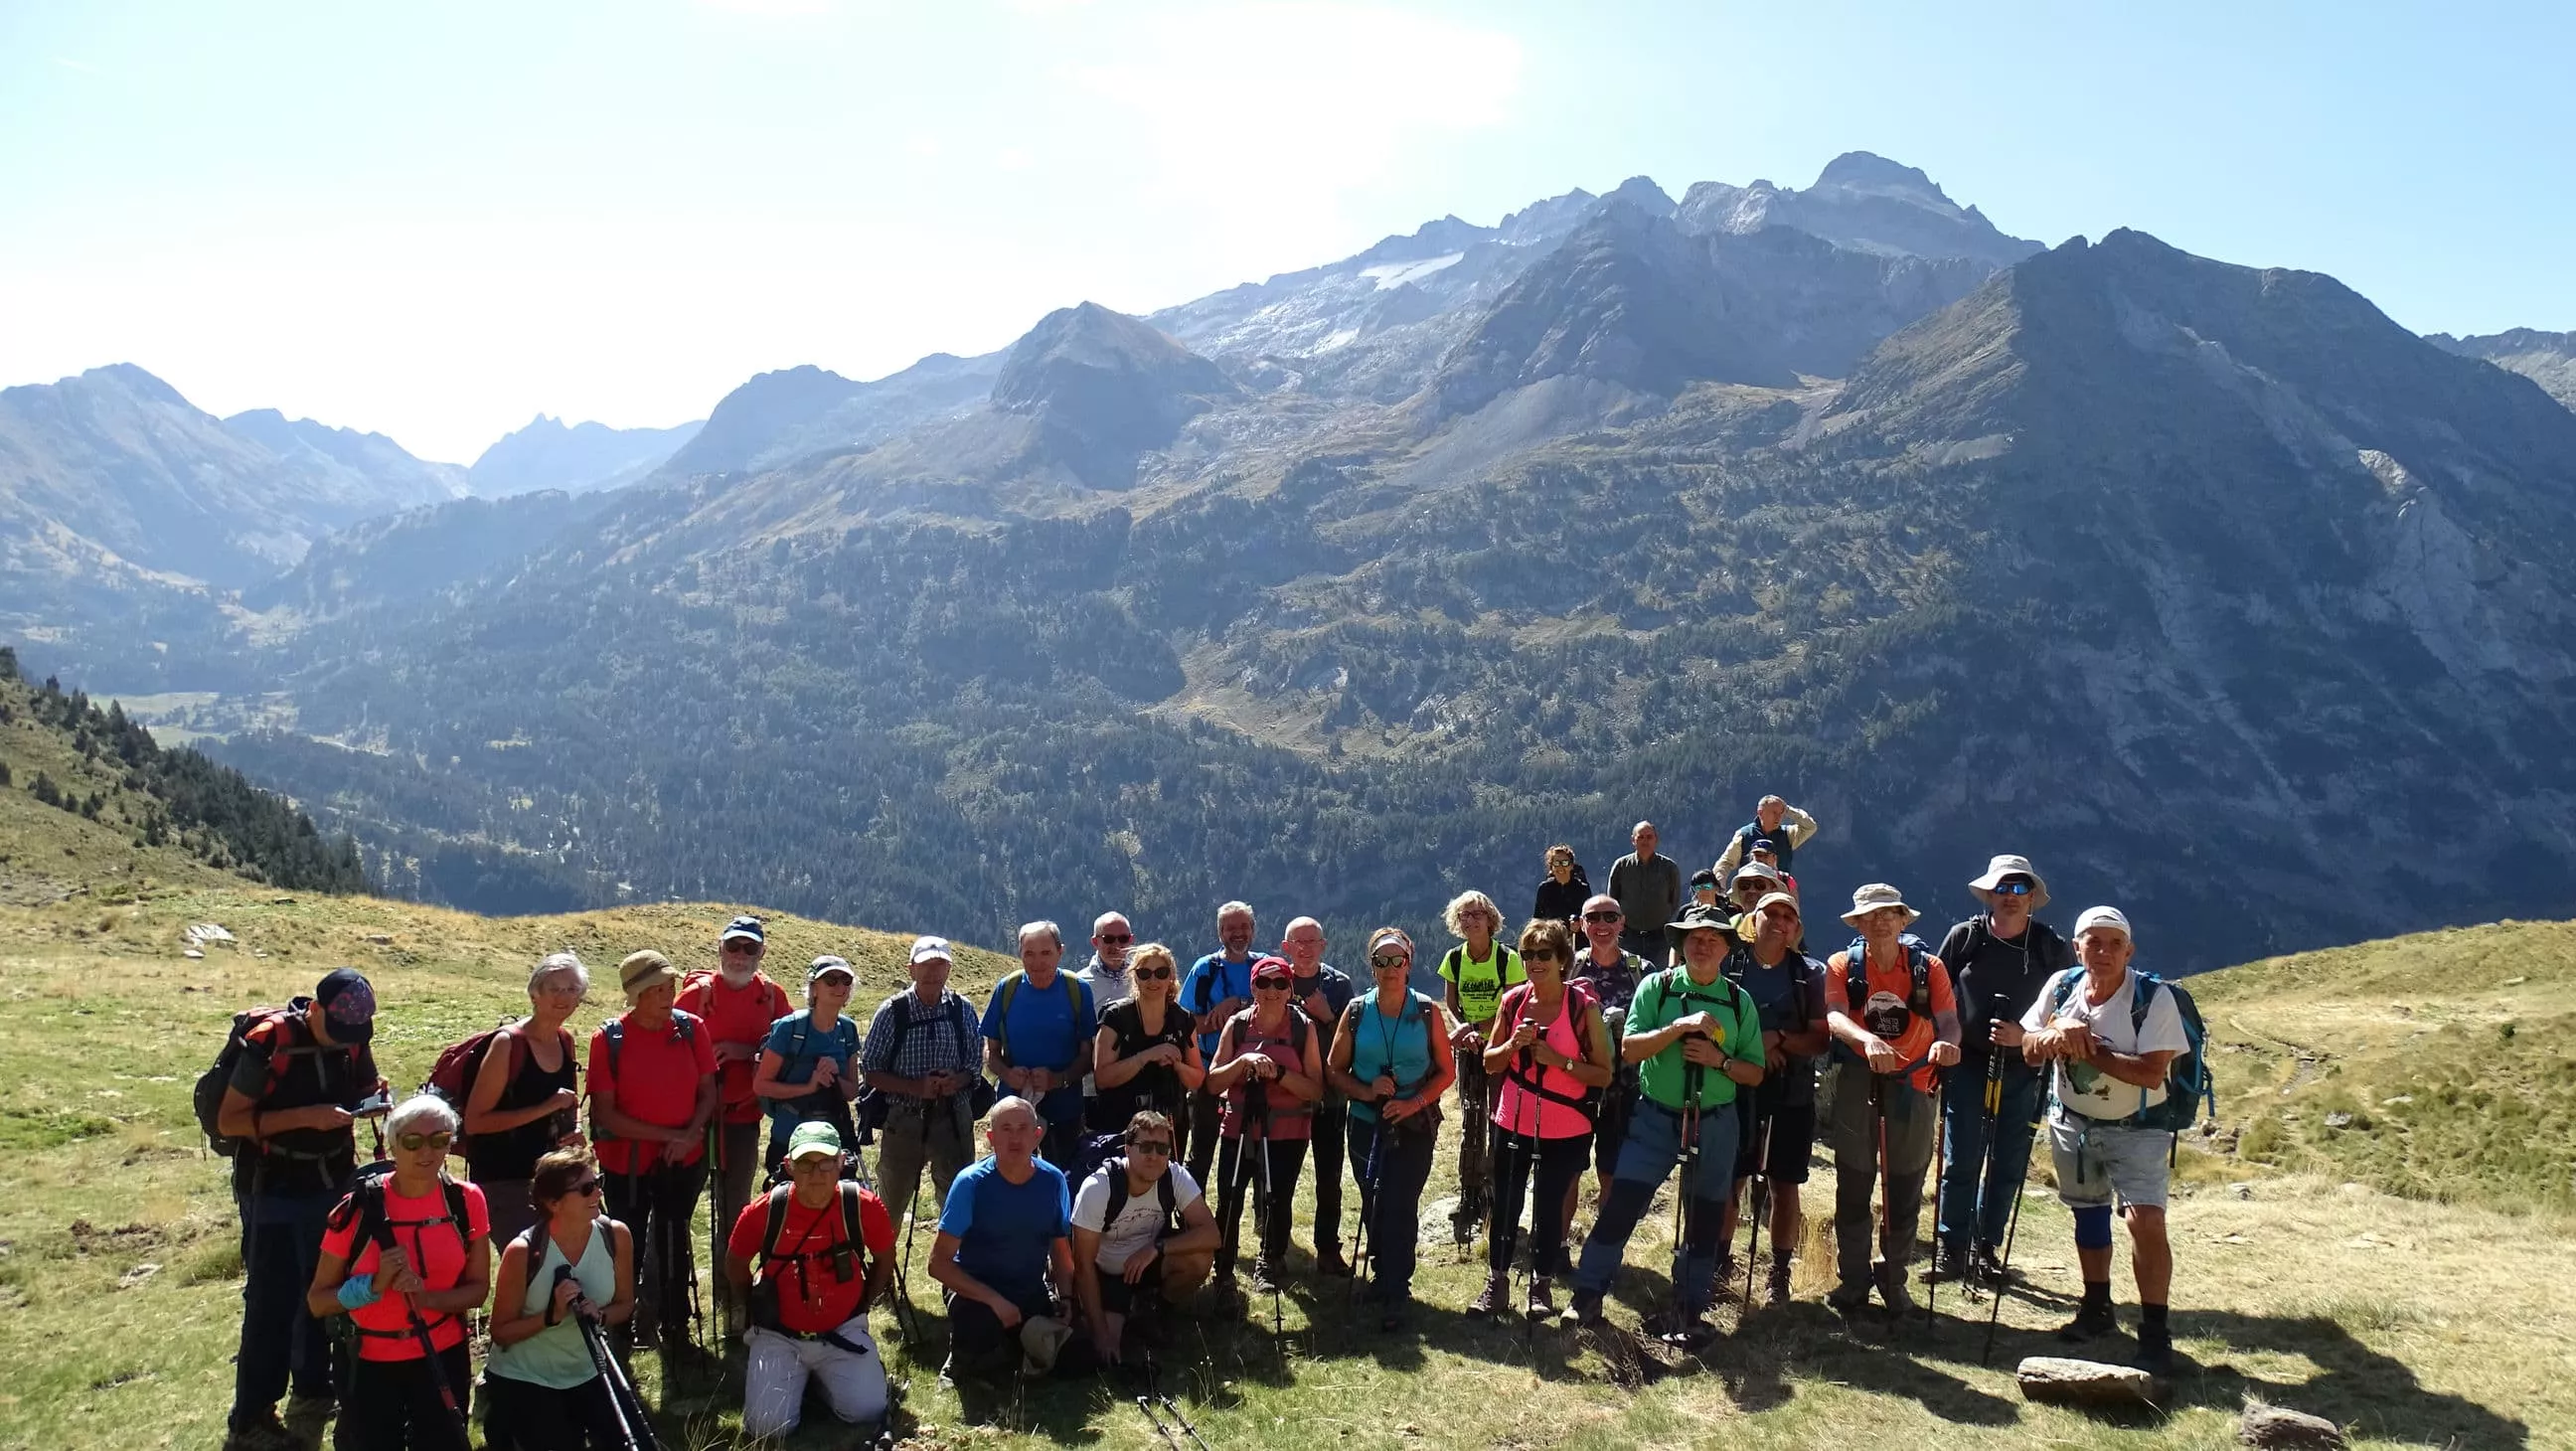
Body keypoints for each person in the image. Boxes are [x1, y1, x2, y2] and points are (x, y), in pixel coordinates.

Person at [1561, 903, 1764, 1337]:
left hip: (1715, 1120)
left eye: (1713, 938)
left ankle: (1690, 1306)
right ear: (1682, 944)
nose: (1703, 944)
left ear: (1726, 947)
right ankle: (1587, 1296)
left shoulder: (1738, 1000)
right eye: (1694, 937)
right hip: (1655, 1117)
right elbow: (1629, 1049)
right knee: (1621, 1207)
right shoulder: (1658, 987)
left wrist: (1719, 1060)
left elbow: (1755, 1071)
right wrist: (1678, 1028)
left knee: (1706, 1214)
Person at [2017, 906, 2191, 1373]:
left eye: (2115, 943)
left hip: (2139, 1127)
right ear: (2077, 948)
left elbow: (2153, 1073)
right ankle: (2096, 1309)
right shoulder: (2061, 988)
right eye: (2093, 942)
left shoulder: (2153, 999)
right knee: (2088, 1212)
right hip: (2073, 1120)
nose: (2104, 952)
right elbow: (2028, 1049)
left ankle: (2155, 1333)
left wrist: (2088, 1044)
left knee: (2145, 1222)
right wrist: (2055, 1031)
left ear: (2130, 951)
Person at [218, 967, 386, 1451]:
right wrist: (306, 1118)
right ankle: (251, 1415)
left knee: (324, 1288)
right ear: (314, 1009)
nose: (344, 1043)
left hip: (331, 1180)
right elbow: (231, 1121)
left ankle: (314, 1389)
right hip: (271, 1187)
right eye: (335, 1032)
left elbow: (362, 1085)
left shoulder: (353, 1038)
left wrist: (371, 1102)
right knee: (271, 1301)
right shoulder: (268, 1042)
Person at [305, 1095, 491, 1451]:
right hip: (368, 1364)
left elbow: (479, 1289)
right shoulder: (356, 1209)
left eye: (440, 1140)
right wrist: (374, 1286)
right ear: (392, 1145)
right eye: (412, 1141)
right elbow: (318, 1301)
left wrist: (427, 1299)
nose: (427, 1151)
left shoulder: (466, 1201)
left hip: (443, 1356)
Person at [1932, 855, 2074, 1286]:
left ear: (2032, 897)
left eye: (2019, 889)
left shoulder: (2051, 948)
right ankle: (1951, 1247)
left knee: (2008, 1163)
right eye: (2003, 889)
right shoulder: (1965, 939)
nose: (2010, 897)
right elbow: (1936, 992)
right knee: (1962, 1157)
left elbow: (2071, 1009)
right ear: (1989, 894)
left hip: (2026, 1068)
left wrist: (2026, 1037)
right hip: (1969, 1063)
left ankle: (1986, 1246)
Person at [1820, 885, 1961, 1316]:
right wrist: (1867, 1042)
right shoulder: (1842, 965)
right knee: (1854, 1183)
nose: (1880, 921)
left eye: (1890, 913)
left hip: (1914, 1083)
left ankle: (1893, 1278)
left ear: (1903, 920)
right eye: (1871, 915)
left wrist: (1948, 1045)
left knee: (1905, 1186)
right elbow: (1835, 1015)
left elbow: (1950, 1021)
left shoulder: (1928, 968)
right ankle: (1854, 1282)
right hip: (1861, 1082)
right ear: (1858, 924)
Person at [1476, 918, 1612, 1320]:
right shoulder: (1513, 1002)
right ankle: (1497, 1282)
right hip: (1512, 1119)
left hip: (1566, 1127)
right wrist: (1511, 1045)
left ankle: (1541, 1286)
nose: (1535, 962)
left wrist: (1560, 1061)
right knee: (1506, 1203)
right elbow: (1489, 1062)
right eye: (1528, 955)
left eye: (1543, 955)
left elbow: (1603, 1073)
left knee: (1550, 1206)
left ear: (1562, 959)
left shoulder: (1583, 1008)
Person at [725, 1122, 896, 1438]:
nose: (816, 1173)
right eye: (805, 1164)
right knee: (767, 1428)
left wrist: (862, 1306)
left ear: (841, 1162)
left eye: (826, 1163)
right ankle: (799, 1378)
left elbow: (885, 1259)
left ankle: (813, 1383)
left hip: (842, 1329)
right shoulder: (763, 1212)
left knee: (868, 1411)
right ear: (789, 1165)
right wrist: (756, 1308)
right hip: (779, 1333)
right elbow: (734, 1264)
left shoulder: (863, 1208)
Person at [585, 949, 719, 1352]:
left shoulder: (692, 1029)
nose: (668, 995)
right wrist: (670, 1137)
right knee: (626, 1243)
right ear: (636, 994)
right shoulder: (608, 1040)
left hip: (684, 1159)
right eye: (657, 989)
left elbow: (708, 1091)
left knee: (675, 1240)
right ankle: (621, 1327)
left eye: (670, 987)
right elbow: (607, 1115)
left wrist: (692, 1133)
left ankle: (674, 1323)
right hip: (627, 1164)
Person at [1324, 927, 1456, 1332]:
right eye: (1381, 960)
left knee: (1400, 1202)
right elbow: (1333, 1069)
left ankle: (1396, 1288)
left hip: (1414, 1124)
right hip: (1367, 1122)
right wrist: (1366, 1091)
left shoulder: (1428, 1012)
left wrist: (1414, 1101)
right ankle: (1384, 1275)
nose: (1390, 967)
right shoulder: (1357, 1011)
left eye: (1397, 959)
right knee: (1373, 1199)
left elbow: (1447, 1072)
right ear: (1372, 965)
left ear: (1409, 963)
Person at [676, 912, 792, 1325]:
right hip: (692, 1120)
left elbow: (790, 1049)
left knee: (734, 1209)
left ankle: (733, 1298)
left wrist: (748, 1053)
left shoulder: (773, 997)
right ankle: (663, 1305)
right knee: (676, 1209)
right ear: (720, 949)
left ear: (762, 952)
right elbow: (666, 1049)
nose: (740, 956)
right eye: (733, 947)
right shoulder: (695, 996)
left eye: (750, 948)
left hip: (742, 1118)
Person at [1717, 891, 1828, 1307]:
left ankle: (1779, 1272)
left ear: (1797, 929)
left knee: (1785, 1183)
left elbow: (1820, 1038)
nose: (1780, 921)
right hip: (1735, 1088)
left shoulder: (1809, 975)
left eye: (1789, 916)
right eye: (1771, 913)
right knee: (1732, 1176)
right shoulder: (1732, 963)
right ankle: (1720, 1261)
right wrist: (1756, 1047)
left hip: (1790, 1092)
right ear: (1753, 917)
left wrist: (1779, 1038)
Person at [484, 1149, 634, 1451]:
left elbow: (626, 1304)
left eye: (598, 1181)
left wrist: (601, 1315)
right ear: (553, 1203)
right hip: (527, 1377)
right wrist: (549, 1317)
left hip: (590, 1369)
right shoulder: (522, 1251)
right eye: (586, 1188)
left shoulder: (616, 1235)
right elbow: (500, 1331)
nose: (598, 1192)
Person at [929, 1097, 1081, 1378]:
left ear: (1038, 1135)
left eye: (1023, 1128)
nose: (1015, 1138)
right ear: (990, 1138)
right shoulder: (970, 1183)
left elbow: (1060, 1251)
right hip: (976, 1292)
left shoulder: (1054, 1180)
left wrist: (1067, 1299)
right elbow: (938, 1264)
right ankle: (962, 1360)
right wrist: (993, 1300)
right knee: (981, 1328)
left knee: (1079, 1354)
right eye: (1006, 1129)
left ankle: (1012, 1348)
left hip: (1029, 1290)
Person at [1204, 956, 1322, 1300]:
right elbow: (1212, 1082)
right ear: (1253, 987)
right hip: (1238, 1127)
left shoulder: (1303, 1028)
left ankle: (1270, 1260)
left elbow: (1316, 1089)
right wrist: (1242, 1063)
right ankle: (1223, 1267)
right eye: (1264, 983)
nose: (1272, 991)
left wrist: (1280, 1075)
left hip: (1288, 1131)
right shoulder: (1238, 1025)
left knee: (1278, 1198)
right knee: (1229, 1197)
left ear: (1290, 989)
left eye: (1280, 983)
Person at [1070, 1110, 1220, 1365]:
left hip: (1147, 1264)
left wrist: (1157, 1247)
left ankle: (1154, 1307)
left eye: (1162, 1148)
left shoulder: (1175, 1177)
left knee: (1200, 1257)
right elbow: (1083, 1265)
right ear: (1127, 1149)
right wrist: (1102, 1334)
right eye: (1146, 1146)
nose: (1154, 1155)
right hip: (1103, 1274)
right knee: (1106, 1348)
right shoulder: (1098, 1188)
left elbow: (1212, 1235)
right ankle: (1118, 1314)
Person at [860, 936, 985, 1241]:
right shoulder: (892, 1011)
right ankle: (882, 1279)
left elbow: (974, 1062)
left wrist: (958, 1080)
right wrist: (916, 1087)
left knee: (958, 1200)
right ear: (911, 969)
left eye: (939, 964)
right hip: (903, 1120)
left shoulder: (962, 1009)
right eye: (925, 964)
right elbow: (871, 1070)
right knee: (890, 1203)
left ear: (949, 969)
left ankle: (956, 1276)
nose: (932, 971)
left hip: (954, 1118)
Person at [463, 953, 588, 1253]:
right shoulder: (508, 1044)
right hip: (504, 1181)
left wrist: (576, 1127)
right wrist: (546, 1107)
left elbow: (568, 1101)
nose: (564, 997)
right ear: (535, 993)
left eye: (572, 989)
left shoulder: (564, 1040)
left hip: (552, 1177)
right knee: (530, 1267)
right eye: (554, 988)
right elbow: (475, 1121)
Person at [1436, 889, 1524, 1244]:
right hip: (1468, 1049)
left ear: (1490, 918)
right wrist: (1463, 1030)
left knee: (1497, 1119)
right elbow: (1451, 1002)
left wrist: (1481, 1029)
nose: (1470, 920)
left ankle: (1494, 1190)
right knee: (1471, 1118)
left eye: (1476, 914)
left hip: (1500, 1049)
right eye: (1464, 916)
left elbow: (1514, 1005)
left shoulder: (1507, 959)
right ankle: (1468, 1191)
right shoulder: (1454, 959)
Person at [1562, 893, 1649, 1240]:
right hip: (1574, 1086)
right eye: (1593, 918)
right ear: (1583, 925)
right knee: (1567, 1171)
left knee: (1611, 1173)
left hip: (1624, 1090)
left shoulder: (1643, 971)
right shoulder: (1568, 968)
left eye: (1609, 918)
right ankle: (1559, 1246)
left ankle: (1605, 1249)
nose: (1602, 925)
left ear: (1622, 922)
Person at [982, 921, 1098, 1173]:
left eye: (1046, 953)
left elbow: (1088, 1056)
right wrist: (1007, 1074)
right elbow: (991, 1052)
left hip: (1064, 1110)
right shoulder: (1007, 989)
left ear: (1060, 952)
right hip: (1013, 1111)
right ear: (1020, 954)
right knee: (1012, 1176)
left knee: (1064, 1179)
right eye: (1029, 954)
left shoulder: (1077, 990)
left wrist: (1059, 1080)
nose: (1037, 962)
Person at [1279, 916, 1359, 1277]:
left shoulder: (1339, 985)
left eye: (1313, 941)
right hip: (1287, 1096)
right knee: (1281, 1177)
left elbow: (1353, 1040)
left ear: (1324, 946)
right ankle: (1274, 1248)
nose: (1306, 948)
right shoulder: (1275, 979)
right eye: (1299, 941)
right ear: (1286, 947)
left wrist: (1327, 1017)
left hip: (1330, 1098)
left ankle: (1328, 1249)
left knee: (1329, 1176)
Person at [754, 956, 865, 1176]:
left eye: (845, 980)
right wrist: (809, 1087)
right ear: (813, 989)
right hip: (789, 1137)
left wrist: (834, 1075)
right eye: (831, 980)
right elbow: (761, 1086)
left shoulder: (848, 1029)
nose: (840, 986)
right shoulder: (789, 1028)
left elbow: (851, 1091)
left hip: (833, 1138)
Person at [1177, 901, 1259, 1187]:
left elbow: (1286, 1006)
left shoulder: (1264, 967)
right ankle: (1190, 1216)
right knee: (1201, 1152)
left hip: (1256, 1076)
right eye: (1231, 928)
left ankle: (1264, 1219)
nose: (1238, 933)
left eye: (1244, 926)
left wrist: (1238, 1004)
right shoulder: (1205, 969)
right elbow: (1185, 1022)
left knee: (1257, 1153)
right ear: (1220, 932)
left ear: (1253, 929)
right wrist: (1217, 1020)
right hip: (1209, 1072)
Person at [1090, 942, 1206, 1131]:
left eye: (1161, 973)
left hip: (1169, 1124)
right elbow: (1102, 1078)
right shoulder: (1115, 1017)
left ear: (1171, 976)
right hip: (1120, 1124)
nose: (1153, 980)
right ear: (1134, 977)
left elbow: (1197, 1079)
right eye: (1144, 973)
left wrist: (1176, 1065)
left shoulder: (1182, 1020)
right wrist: (1149, 1055)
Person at [1606, 821, 1683, 961]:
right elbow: (1612, 901)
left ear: (1656, 840)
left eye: (1649, 837)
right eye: (1640, 837)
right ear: (1633, 840)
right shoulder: (1621, 866)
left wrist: (1667, 927)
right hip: (1629, 938)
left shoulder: (1669, 868)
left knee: (1659, 979)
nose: (1645, 841)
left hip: (1660, 939)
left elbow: (1675, 901)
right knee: (1629, 978)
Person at [1715, 795, 1821, 880]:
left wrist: (1788, 810)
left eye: (1781, 813)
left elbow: (1810, 827)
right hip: (1750, 893)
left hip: (1779, 894)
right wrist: (1720, 886)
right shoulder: (1745, 835)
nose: (1779, 817)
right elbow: (1725, 863)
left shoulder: (1788, 834)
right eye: (1774, 813)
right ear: (1760, 813)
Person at [1077, 911, 1138, 1013]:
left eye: (1123, 939)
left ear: (1131, 940)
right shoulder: (1079, 984)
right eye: (1109, 939)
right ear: (1095, 942)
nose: (1116, 945)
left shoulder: (1144, 977)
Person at [1531, 845, 1591, 928]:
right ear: (1551, 867)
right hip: (1551, 937)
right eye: (1556, 863)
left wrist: (1579, 923)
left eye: (1565, 863)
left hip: (1576, 938)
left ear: (1571, 865)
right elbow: (1537, 918)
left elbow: (1590, 917)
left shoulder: (1582, 889)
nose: (1560, 867)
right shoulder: (1544, 888)